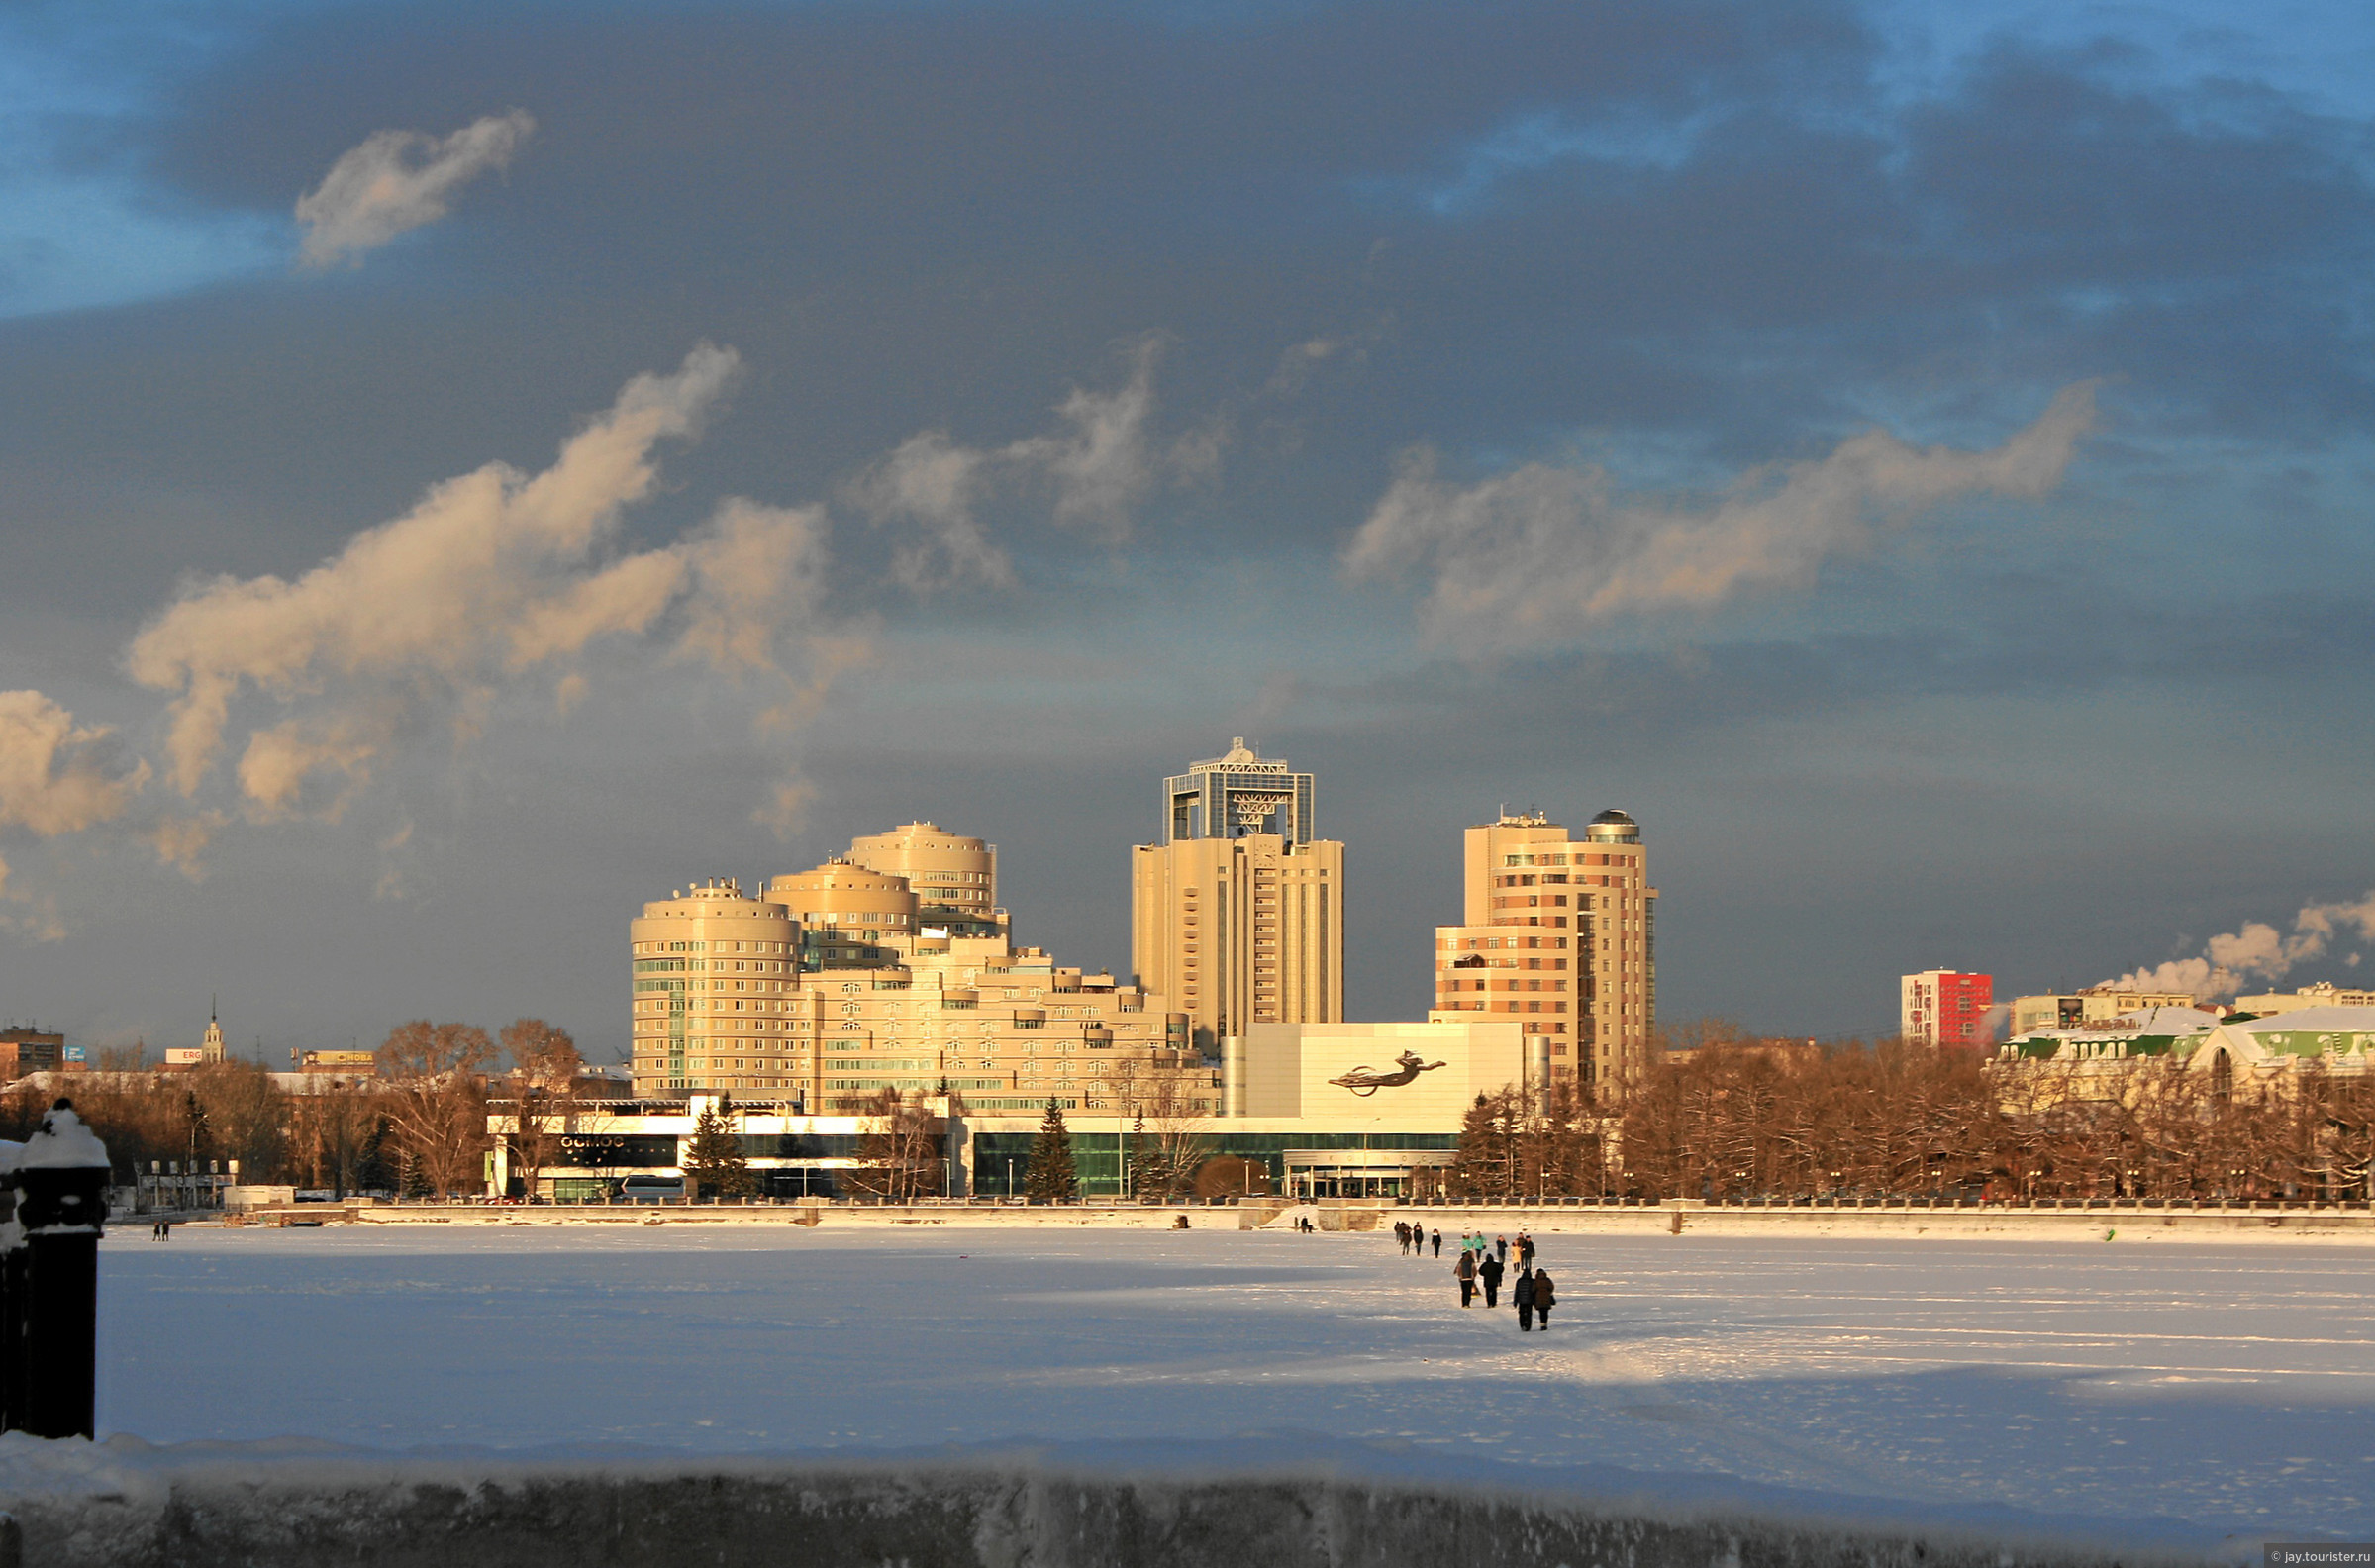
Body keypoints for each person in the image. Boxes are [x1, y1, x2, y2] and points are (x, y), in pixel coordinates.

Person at [1513, 1266, 1535, 1331]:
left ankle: (1522, 1325)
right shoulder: (1532, 1281)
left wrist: (1515, 1301)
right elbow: (1534, 1292)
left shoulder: (1519, 1281)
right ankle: (1528, 1326)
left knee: (1521, 1313)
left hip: (1521, 1300)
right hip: (1529, 1300)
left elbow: (1517, 1291)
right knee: (1528, 1313)